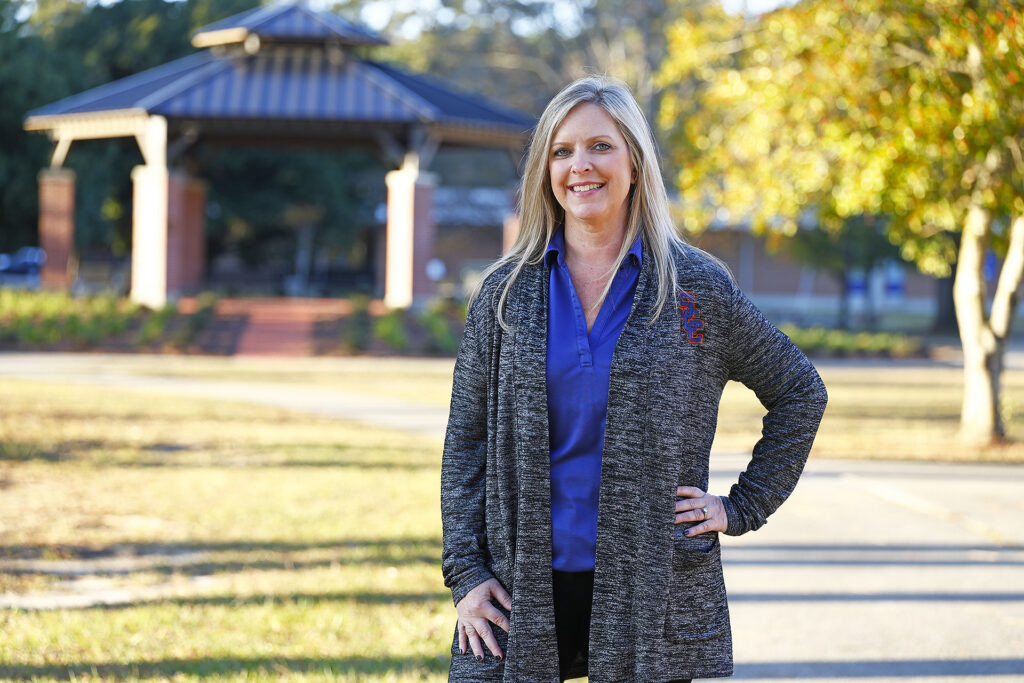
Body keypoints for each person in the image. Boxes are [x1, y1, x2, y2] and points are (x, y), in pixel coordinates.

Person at [440, 76, 827, 682]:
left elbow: (801, 391)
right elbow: (465, 443)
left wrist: (742, 505)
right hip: (520, 584)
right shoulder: (505, 294)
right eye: (562, 151)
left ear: (636, 163)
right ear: (545, 170)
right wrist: (466, 573)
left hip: (653, 584)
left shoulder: (695, 289)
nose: (580, 166)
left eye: (600, 146)